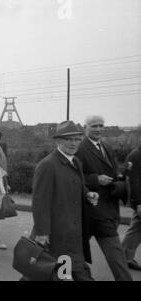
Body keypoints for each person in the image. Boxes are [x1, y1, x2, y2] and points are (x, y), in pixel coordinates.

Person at [31, 120, 98, 281]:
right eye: (68, 139)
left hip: (74, 234)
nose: (73, 143)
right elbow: (40, 203)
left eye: (77, 139)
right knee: (63, 273)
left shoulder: (75, 161)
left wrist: (88, 194)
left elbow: (75, 185)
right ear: (58, 141)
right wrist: (42, 233)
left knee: (65, 272)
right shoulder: (47, 165)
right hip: (57, 235)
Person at [76, 115, 133, 281]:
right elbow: (73, 176)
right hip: (94, 208)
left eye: (101, 125)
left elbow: (113, 170)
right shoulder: (80, 148)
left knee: (73, 249)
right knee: (115, 252)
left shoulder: (106, 146)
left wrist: (120, 178)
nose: (98, 129)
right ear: (86, 127)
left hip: (108, 206)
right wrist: (95, 179)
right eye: (94, 126)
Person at [121, 143, 141, 271]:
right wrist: (138, 203)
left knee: (137, 228)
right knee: (136, 228)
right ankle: (123, 258)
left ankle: (124, 257)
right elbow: (133, 181)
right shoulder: (135, 155)